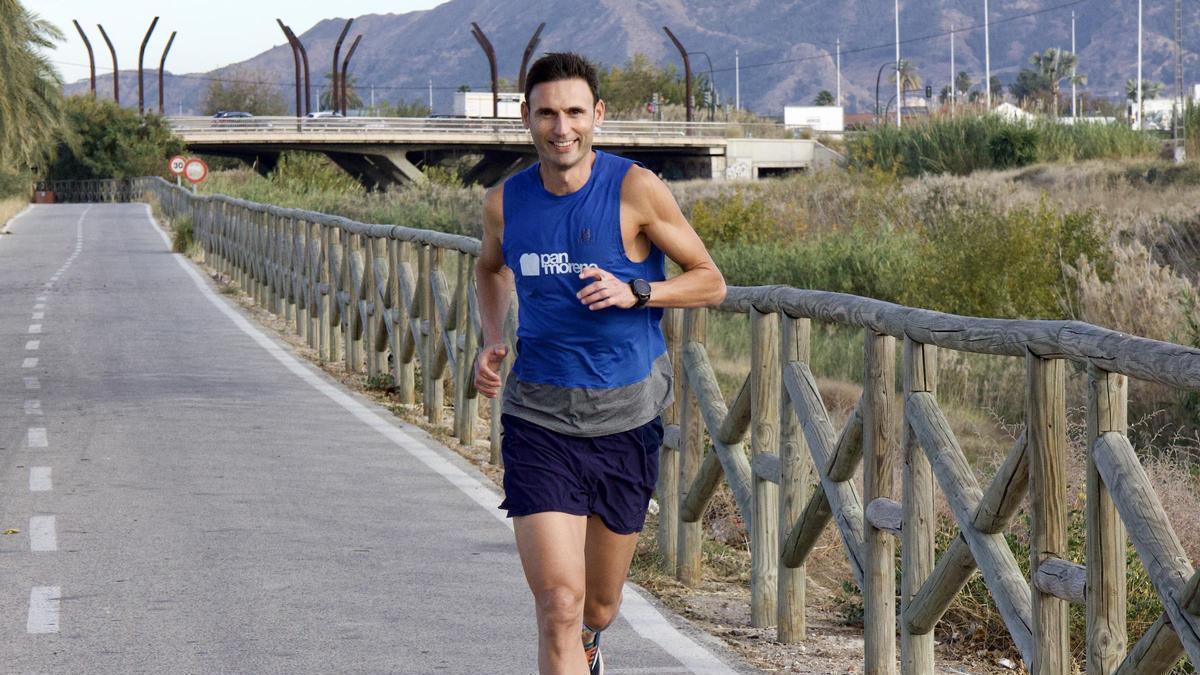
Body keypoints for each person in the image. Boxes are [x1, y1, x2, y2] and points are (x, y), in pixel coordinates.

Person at [474, 52, 726, 675]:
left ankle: (592, 640)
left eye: (575, 112)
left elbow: (710, 282)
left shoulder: (634, 188)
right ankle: (573, 637)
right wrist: (489, 336)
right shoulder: (505, 202)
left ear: (598, 116)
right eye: (547, 114)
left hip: (626, 419)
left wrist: (638, 291)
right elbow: (489, 268)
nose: (562, 127)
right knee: (559, 602)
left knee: (600, 604)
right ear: (526, 120)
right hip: (538, 417)